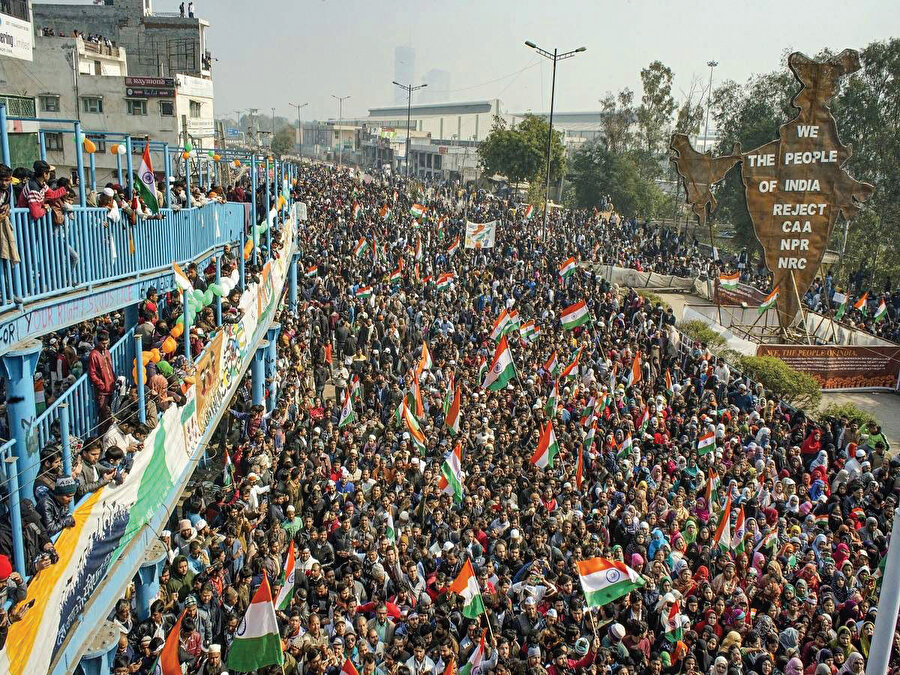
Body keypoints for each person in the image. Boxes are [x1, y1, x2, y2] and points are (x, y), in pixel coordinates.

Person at [88, 329, 116, 429]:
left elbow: (110, 368)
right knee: (104, 416)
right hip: (103, 391)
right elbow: (92, 373)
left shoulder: (107, 352)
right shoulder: (94, 355)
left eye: (107, 343)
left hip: (111, 387)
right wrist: (101, 385)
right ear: (98, 342)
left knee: (111, 414)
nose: (105, 346)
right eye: (103, 344)